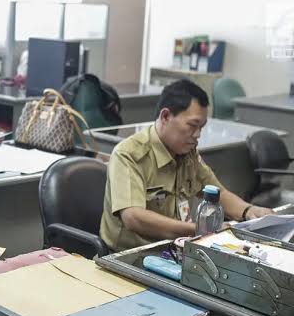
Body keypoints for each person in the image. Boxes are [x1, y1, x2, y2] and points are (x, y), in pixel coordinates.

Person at [100, 79, 273, 252]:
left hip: (174, 249)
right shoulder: (130, 154)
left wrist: (249, 211)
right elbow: (133, 217)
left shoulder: (187, 153)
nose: (197, 135)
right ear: (165, 116)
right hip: (128, 255)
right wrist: (199, 229)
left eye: (201, 127)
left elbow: (217, 193)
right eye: (192, 125)